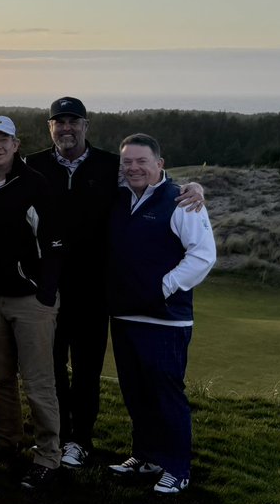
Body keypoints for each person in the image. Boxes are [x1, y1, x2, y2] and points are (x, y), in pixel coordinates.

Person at [25, 96, 204, 469]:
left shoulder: (111, 166)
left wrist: (194, 187)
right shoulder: (34, 165)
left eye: (74, 122)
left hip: (95, 291)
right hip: (47, 288)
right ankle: (53, 437)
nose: (67, 128)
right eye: (60, 122)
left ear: (86, 126)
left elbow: (154, 179)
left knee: (86, 371)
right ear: (50, 127)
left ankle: (80, 441)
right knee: (51, 368)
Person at [107, 133, 215, 495]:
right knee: (136, 393)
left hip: (165, 320)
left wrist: (161, 287)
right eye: (127, 162)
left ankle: (177, 466)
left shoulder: (183, 200)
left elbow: (202, 256)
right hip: (124, 316)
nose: (134, 168)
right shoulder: (120, 198)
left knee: (166, 395)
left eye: (141, 161)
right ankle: (146, 455)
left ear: (159, 165)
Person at [0, 115, 64, 491]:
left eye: (3, 139)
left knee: (39, 383)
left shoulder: (35, 185)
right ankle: (4, 441)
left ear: (16, 144)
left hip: (30, 300)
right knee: (0, 376)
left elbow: (54, 243)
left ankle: (47, 457)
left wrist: (46, 292)